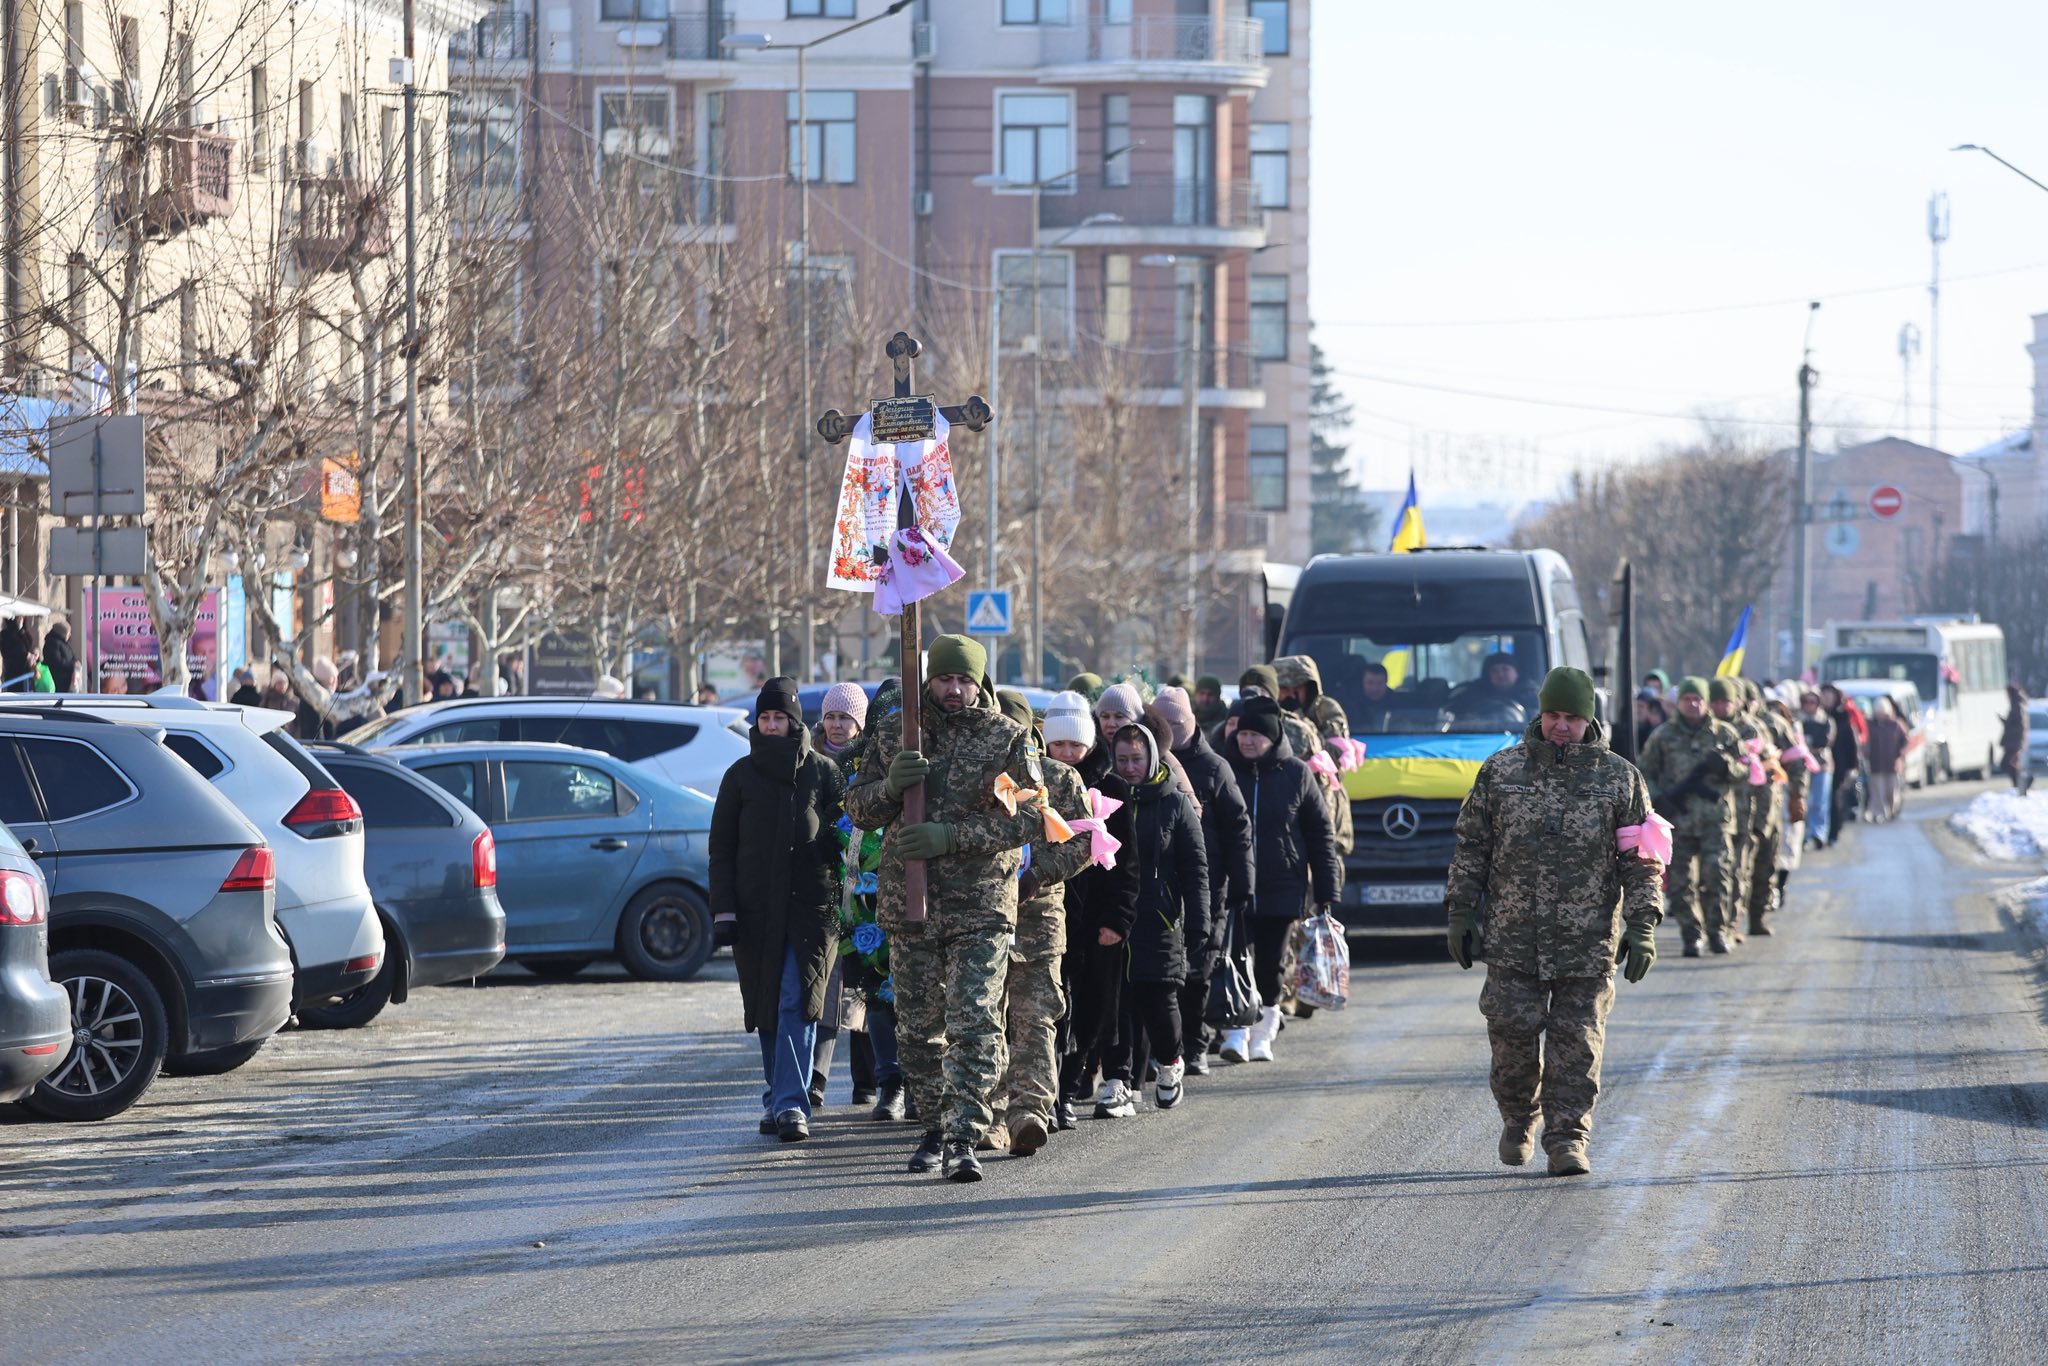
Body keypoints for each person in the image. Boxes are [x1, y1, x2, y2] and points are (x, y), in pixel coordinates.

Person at [1444, 666, 1663, 1178]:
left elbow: (1642, 859)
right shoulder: (1501, 771)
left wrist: (1642, 923)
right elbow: (1472, 846)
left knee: (1577, 1045)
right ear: (1540, 714)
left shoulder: (1620, 779)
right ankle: (1519, 1118)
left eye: (1572, 717)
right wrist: (1461, 910)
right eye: (1553, 715)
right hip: (1513, 937)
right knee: (1511, 1039)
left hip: (1586, 941)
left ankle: (1567, 1139)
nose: (1561, 726)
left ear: (1589, 720)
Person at [843, 634, 1044, 1183]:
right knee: (917, 1028)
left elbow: (1030, 816)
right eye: (945, 678)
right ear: (929, 679)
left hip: (980, 904)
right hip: (911, 903)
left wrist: (951, 837)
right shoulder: (897, 732)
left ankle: (963, 1136)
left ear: (979, 683)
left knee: (974, 1021)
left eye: (964, 680)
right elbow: (858, 808)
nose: (954, 689)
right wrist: (890, 787)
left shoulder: (1006, 737)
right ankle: (934, 1123)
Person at [709, 677, 845, 1144]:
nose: (771, 725)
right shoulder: (739, 776)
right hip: (754, 913)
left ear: (794, 722)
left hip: (812, 910)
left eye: (780, 718)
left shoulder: (824, 773)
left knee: (796, 1000)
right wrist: (723, 911)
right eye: (765, 717)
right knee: (767, 1003)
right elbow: (721, 850)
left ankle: (790, 1104)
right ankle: (778, 1096)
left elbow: (849, 837)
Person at [989, 689, 1093, 1152]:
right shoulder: (979, 778)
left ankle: (1030, 1111)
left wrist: (1038, 875)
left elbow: (1085, 840)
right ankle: (990, 1115)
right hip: (983, 917)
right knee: (983, 1018)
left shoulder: (1060, 778)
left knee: (1035, 1017)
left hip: (1039, 919)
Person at [1092, 721, 1208, 1118]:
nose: (1129, 768)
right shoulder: (1102, 797)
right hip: (1111, 918)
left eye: (1136, 760)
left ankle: (1170, 1063)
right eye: (1122, 759)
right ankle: (1117, 1081)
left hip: (1158, 919)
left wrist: (1199, 922)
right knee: (1114, 1004)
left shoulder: (1174, 802)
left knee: (1158, 1002)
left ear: (1153, 759)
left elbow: (1196, 868)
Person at [1043, 691, 1139, 1131]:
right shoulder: (1035, 784)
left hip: (1096, 917)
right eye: (1058, 744)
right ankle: (1048, 1094)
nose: (1067, 753)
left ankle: (1071, 1086)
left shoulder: (1110, 787)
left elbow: (1128, 863)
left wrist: (1117, 920)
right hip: (1047, 913)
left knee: (1092, 1008)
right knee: (1049, 1007)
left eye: (1075, 745)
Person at [1223, 697, 1338, 1063]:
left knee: (1271, 967)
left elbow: (1320, 835)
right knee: (1233, 960)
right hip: (1234, 885)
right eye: (1243, 733)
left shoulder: (1296, 773)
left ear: (1272, 738)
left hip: (1282, 885)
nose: (1247, 741)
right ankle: (1235, 1032)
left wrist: (1326, 890)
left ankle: (1263, 1033)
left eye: (1255, 735)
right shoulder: (1224, 769)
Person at [1153, 685, 1252, 1078]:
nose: (1171, 733)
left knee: (1200, 968)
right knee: (1164, 973)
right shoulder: (1144, 762)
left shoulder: (1214, 768)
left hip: (1208, 884)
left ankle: (1195, 1044)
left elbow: (1238, 828)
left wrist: (1243, 884)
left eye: (1176, 724)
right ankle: (1166, 1048)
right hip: (1162, 886)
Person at [1637, 676, 1744, 956]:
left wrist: (1727, 767)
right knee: (1681, 883)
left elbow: (1747, 771)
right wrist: (1659, 797)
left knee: (1717, 875)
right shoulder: (1663, 736)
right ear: (1678, 703)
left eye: (1698, 699)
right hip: (1678, 821)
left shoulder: (1724, 734)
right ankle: (1691, 935)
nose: (1693, 704)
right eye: (1687, 699)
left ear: (1706, 702)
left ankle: (1717, 931)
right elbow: (1644, 772)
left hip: (1715, 820)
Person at [1822, 685, 1863, 842]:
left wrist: (1852, 767)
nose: (1827, 699)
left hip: (1840, 764)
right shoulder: (1819, 716)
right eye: (1824, 696)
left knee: (1836, 800)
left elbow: (1852, 745)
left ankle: (1833, 832)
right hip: (1821, 764)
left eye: (1829, 696)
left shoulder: (1843, 717)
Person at [1449, 650, 1538, 722]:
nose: (1500, 674)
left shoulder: (1533, 696)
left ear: (1517, 673)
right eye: (1494, 670)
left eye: (1505, 669)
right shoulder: (1472, 694)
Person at [1798, 688, 1836, 848]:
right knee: (1805, 800)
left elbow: (1825, 741)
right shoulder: (1798, 720)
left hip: (1822, 765)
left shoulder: (1826, 720)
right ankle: (1806, 835)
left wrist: (1810, 747)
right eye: (1806, 702)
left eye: (1812, 702)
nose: (1809, 705)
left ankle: (1819, 833)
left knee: (1820, 802)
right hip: (1803, 766)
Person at [1864, 697, 1909, 823]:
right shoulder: (1870, 725)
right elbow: (1865, 741)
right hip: (1875, 764)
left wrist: (1900, 754)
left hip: (1893, 764)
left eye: (1882, 712)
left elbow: (1905, 740)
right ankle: (1879, 813)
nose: (1880, 715)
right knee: (1877, 791)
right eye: (1878, 712)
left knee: (1891, 790)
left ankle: (1892, 810)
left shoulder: (1896, 725)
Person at [2000, 683, 2032, 794]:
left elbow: (2020, 724)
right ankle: (2019, 784)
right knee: (2012, 764)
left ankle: (2024, 780)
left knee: (2006, 764)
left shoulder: (2017, 704)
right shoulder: (2017, 703)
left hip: (2015, 741)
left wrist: (2019, 740)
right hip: (2015, 741)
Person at [1354, 661, 1397, 733]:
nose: (1375, 688)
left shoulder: (1397, 703)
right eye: (1370, 683)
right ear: (1362, 683)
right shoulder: (1351, 703)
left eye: (1380, 683)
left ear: (1386, 683)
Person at [41, 620, 76, 693]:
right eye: (68, 633)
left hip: (66, 678)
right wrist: (71, 665)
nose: (70, 635)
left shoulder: (63, 642)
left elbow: (70, 655)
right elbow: (56, 661)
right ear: (62, 633)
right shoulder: (52, 643)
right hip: (58, 679)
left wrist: (75, 662)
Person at [0, 616, 33, 691]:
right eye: (18, 618)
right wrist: (25, 656)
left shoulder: (24, 632)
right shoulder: (5, 635)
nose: (21, 619)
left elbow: (29, 645)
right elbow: (7, 653)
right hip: (13, 672)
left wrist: (21, 631)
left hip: (26, 671)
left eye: (22, 617)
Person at [1632, 688, 1667, 754]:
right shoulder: (1633, 728)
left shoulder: (1659, 731)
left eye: (1641, 706)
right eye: (1636, 706)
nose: (1638, 710)